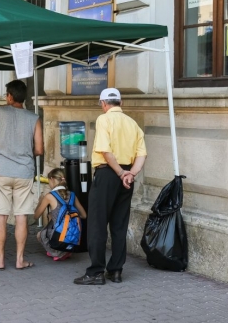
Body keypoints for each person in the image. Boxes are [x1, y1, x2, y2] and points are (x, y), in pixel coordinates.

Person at [73, 88, 147, 286]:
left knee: (97, 224)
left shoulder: (104, 119)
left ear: (104, 104)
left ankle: (96, 271)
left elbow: (105, 150)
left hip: (108, 173)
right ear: (120, 103)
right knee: (119, 225)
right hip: (126, 177)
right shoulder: (133, 124)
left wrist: (120, 172)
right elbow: (142, 155)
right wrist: (130, 173)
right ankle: (116, 270)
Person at [0, 79, 43, 270]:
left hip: (1, 171)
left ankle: (0, 260)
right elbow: (39, 149)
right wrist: (24, 152)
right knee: (21, 216)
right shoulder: (34, 118)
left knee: (1, 215)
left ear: (9, 96)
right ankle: (19, 260)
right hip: (24, 171)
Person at [33, 168, 86, 261]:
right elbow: (84, 215)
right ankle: (66, 251)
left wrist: (40, 202)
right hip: (72, 239)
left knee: (39, 234)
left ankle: (56, 253)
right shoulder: (72, 195)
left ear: (52, 179)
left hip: (59, 239)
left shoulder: (50, 196)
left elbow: (36, 216)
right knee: (52, 217)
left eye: (49, 181)